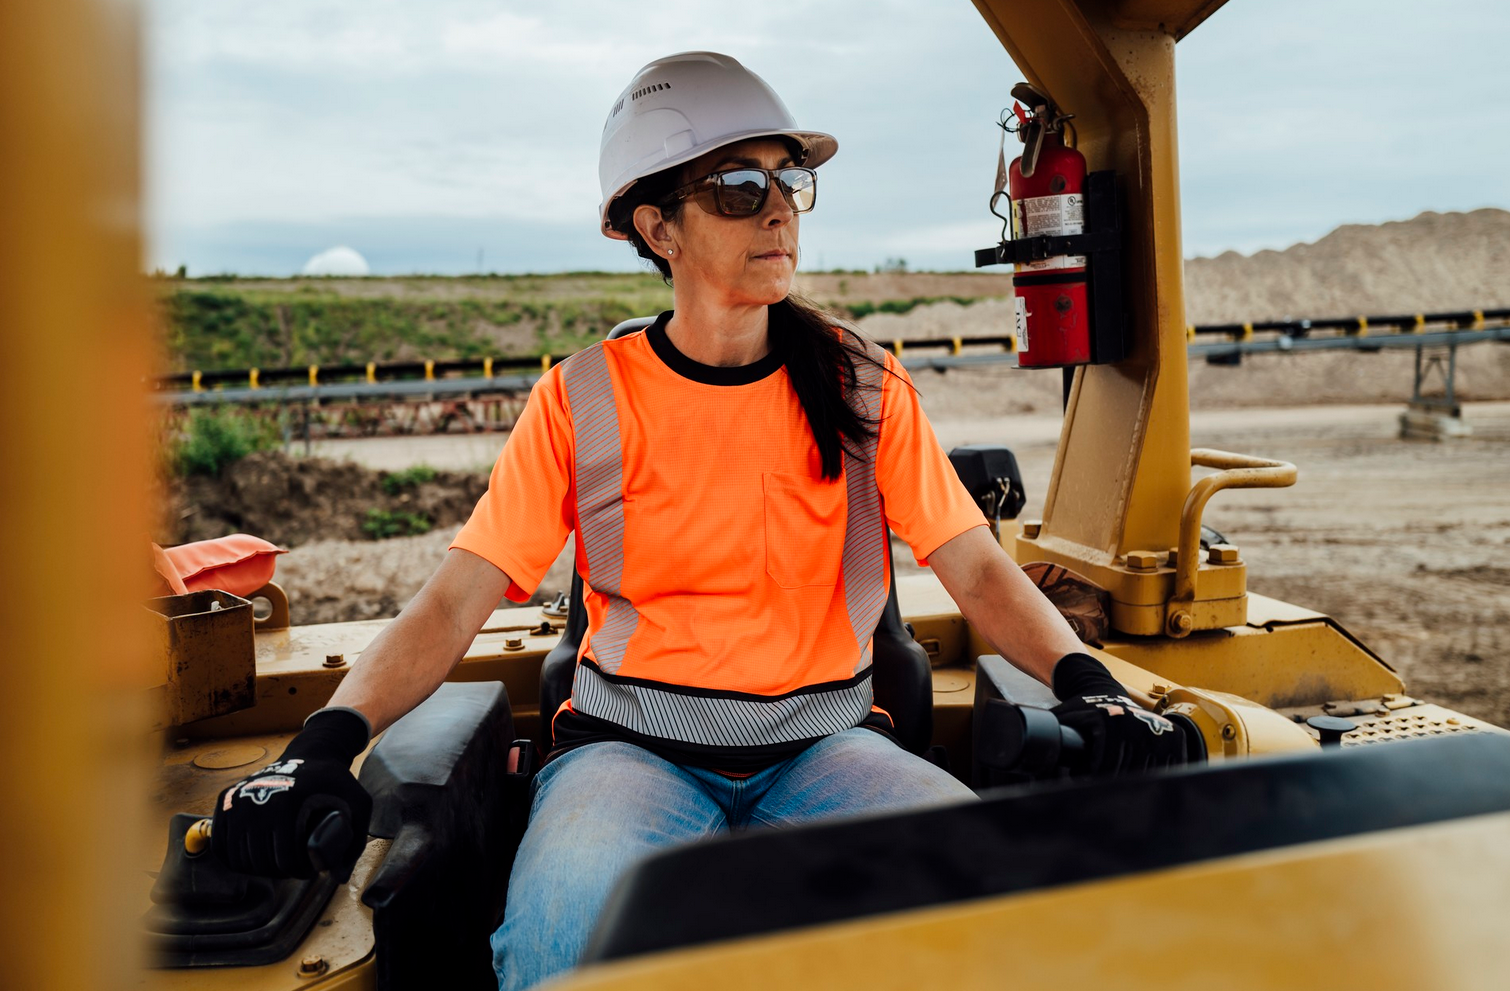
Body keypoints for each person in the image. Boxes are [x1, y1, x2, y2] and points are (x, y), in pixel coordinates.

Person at [208, 51, 1185, 991]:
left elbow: (975, 571)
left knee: (998, 898)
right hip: (630, 757)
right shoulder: (581, 398)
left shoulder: (862, 385)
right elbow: (453, 599)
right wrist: (323, 746)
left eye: (785, 181)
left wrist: (1086, 684)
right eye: (733, 185)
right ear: (658, 226)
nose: (774, 210)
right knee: (561, 936)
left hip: (829, 750)